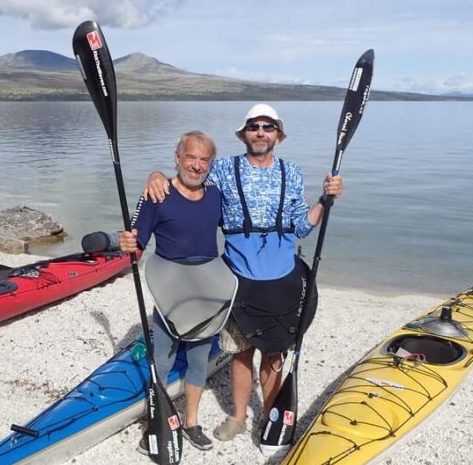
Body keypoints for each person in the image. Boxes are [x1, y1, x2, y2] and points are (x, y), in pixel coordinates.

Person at [144, 104, 342, 442]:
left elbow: (301, 227)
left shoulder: (291, 172)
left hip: (282, 276)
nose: (261, 132)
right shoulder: (222, 168)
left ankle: (267, 416)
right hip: (237, 278)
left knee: (274, 352)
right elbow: (190, 177)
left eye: (268, 127)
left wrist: (325, 200)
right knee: (239, 352)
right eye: (254, 126)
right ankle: (237, 417)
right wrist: (156, 175)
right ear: (244, 134)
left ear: (278, 135)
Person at [119, 130, 224, 452]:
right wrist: (127, 244)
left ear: (210, 164)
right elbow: (137, 243)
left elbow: (239, 231)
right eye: (190, 157)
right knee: (162, 360)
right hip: (169, 288)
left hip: (206, 288)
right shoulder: (157, 194)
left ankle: (191, 422)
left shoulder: (217, 196)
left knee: (197, 359)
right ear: (177, 158)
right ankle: (159, 420)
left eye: (203, 159)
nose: (196, 165)